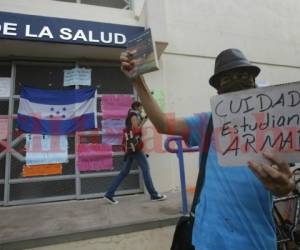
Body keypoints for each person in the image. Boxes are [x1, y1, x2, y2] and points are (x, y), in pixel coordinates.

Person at [120, 48, 295, 249]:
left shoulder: (271, 125)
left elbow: (285, 178)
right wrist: (137, 80)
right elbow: (162, 123)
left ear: (254, 82)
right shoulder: (207, 123)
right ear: (218, 90)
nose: (236, 82)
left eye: (243, 76)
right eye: (226, 79)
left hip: (254, 241)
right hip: (207, 239)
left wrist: (286, 187)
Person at [104, 101, 167, 205]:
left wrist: (143, 120)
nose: (142, 109)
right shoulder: (133, 115)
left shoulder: (132, 114)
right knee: (146, 169)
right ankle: (154, 195)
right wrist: (143, 121)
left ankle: (109, 194)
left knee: (124, 172)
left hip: (131, 148)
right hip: (135, 148)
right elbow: (136, 129)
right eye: (141, 107)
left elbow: (135, 127)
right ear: (137, 107)